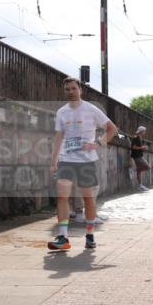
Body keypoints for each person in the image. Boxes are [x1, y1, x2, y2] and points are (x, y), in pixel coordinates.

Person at [47, 76, 117, 250]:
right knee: (62, 196)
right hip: (66, 160)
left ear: (80, 90)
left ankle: (90, 235)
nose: (71, 92)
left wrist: (97, 143)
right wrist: (54, 161)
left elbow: (112, 129)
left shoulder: (91, 110)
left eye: (73, 88)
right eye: (67, 89)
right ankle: (63, 238)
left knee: (88, 199)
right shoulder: (62, 112)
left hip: (86, 162)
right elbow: (58, 137)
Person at [130, 125, 150, 191]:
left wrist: (144, 147)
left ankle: (140, 185)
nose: (145, 132)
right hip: (137, 156)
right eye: (144, 131)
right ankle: (137, 170)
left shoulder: (140, 138)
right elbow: (133, 147)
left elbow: (139, 147)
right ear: (141, 131)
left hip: (140, 155)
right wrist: (142, 147)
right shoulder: (135, 137)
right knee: (148, 167)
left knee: (140, 171)